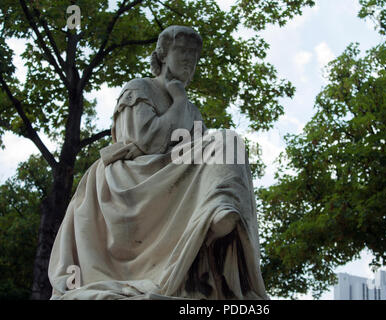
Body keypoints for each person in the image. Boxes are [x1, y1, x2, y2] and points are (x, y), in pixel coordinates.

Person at [48, 25, 268, 300]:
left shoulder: (194, 112)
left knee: (230, 141)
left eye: (194, 55)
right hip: (133, 175)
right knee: (223, 141)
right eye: (183, 51)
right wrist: (177, 102)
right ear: (163, 55)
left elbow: (195, 155)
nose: (190, 60)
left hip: (172, 174)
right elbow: (144, 142)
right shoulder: (140, 88)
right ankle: (214, 209)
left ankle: (220, 209)